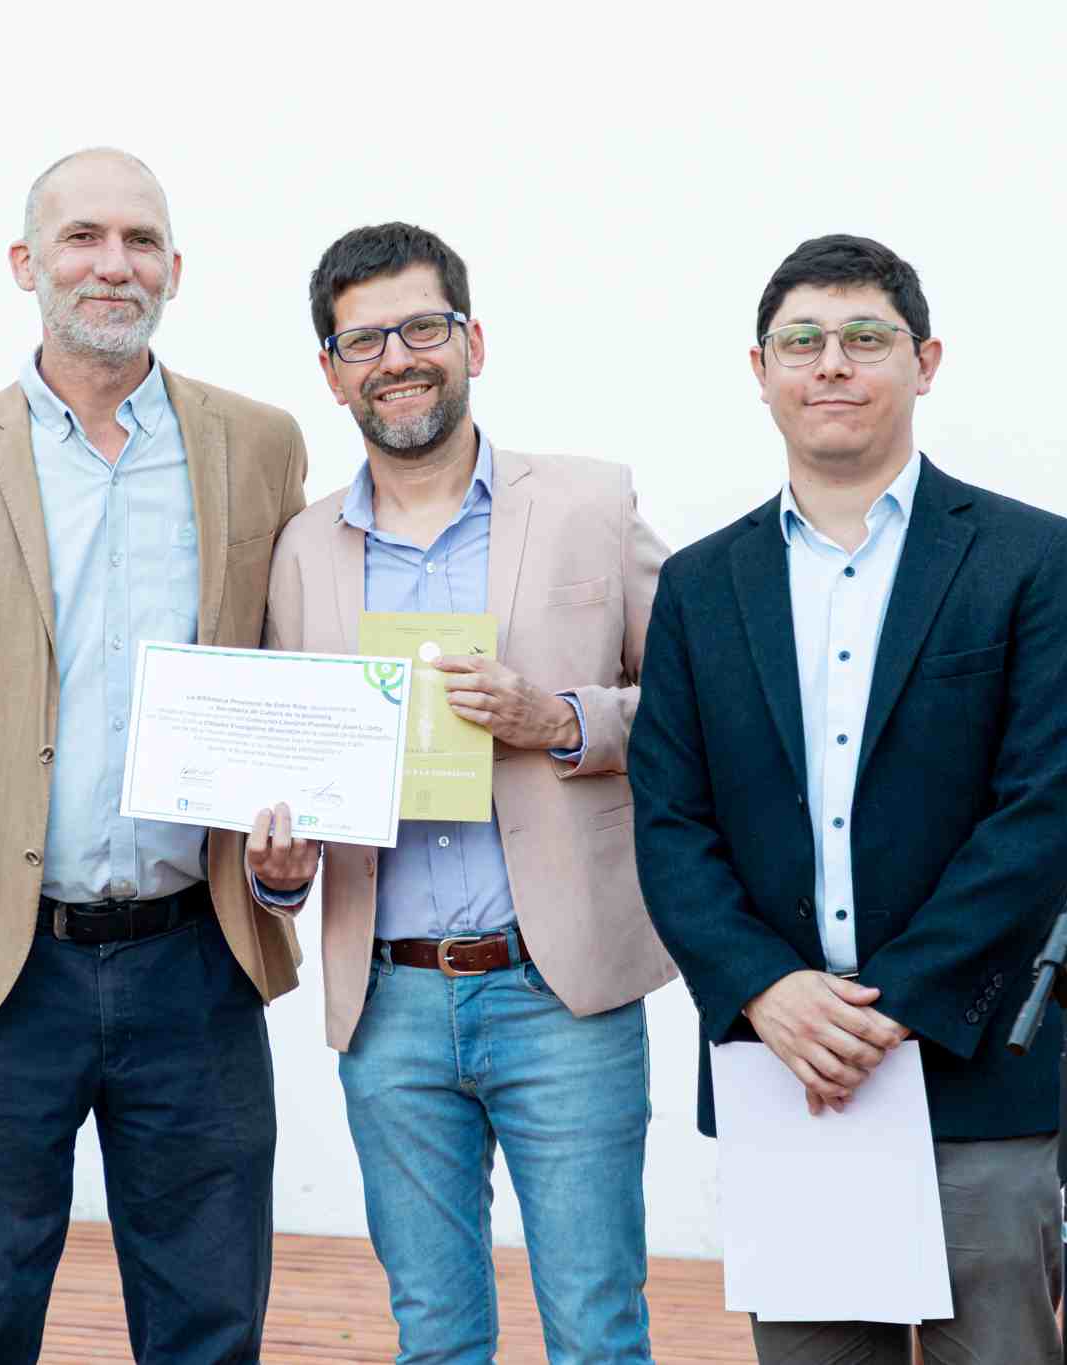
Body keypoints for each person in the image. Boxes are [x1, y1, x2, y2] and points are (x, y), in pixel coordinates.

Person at [0, 148, 308, 1362]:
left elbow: (290, 674)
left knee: (208, 1325)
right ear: (24, 264)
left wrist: (284, 857)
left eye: (140, 241)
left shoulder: (256, 445)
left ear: (176, 270)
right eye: (84, 236)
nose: (113, 264)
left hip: (193, 955)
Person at [627, 234, 1067, 1363]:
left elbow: (1043, 814)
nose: (829, 365)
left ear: (924, 360)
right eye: (801, 341)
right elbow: (669, 821)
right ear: (759, 370)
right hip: (785, 1072)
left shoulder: (1025, 557)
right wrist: (765, 991)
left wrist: (893, 1000)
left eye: (863, 339)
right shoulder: (700, 586)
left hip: (970, 1062)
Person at [246, 222, 674, 1363]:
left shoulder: (588, 502)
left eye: (421, 327)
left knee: (595, 1330)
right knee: (433, 1337)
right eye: (362, 339)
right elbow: (288, 769)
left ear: (471, 340)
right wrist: (274, 869)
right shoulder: (298, 554)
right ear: (331, 371)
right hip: (385, 1002)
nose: (396, 357)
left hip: (557, 991)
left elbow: (703, 700)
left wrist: (563, 720)